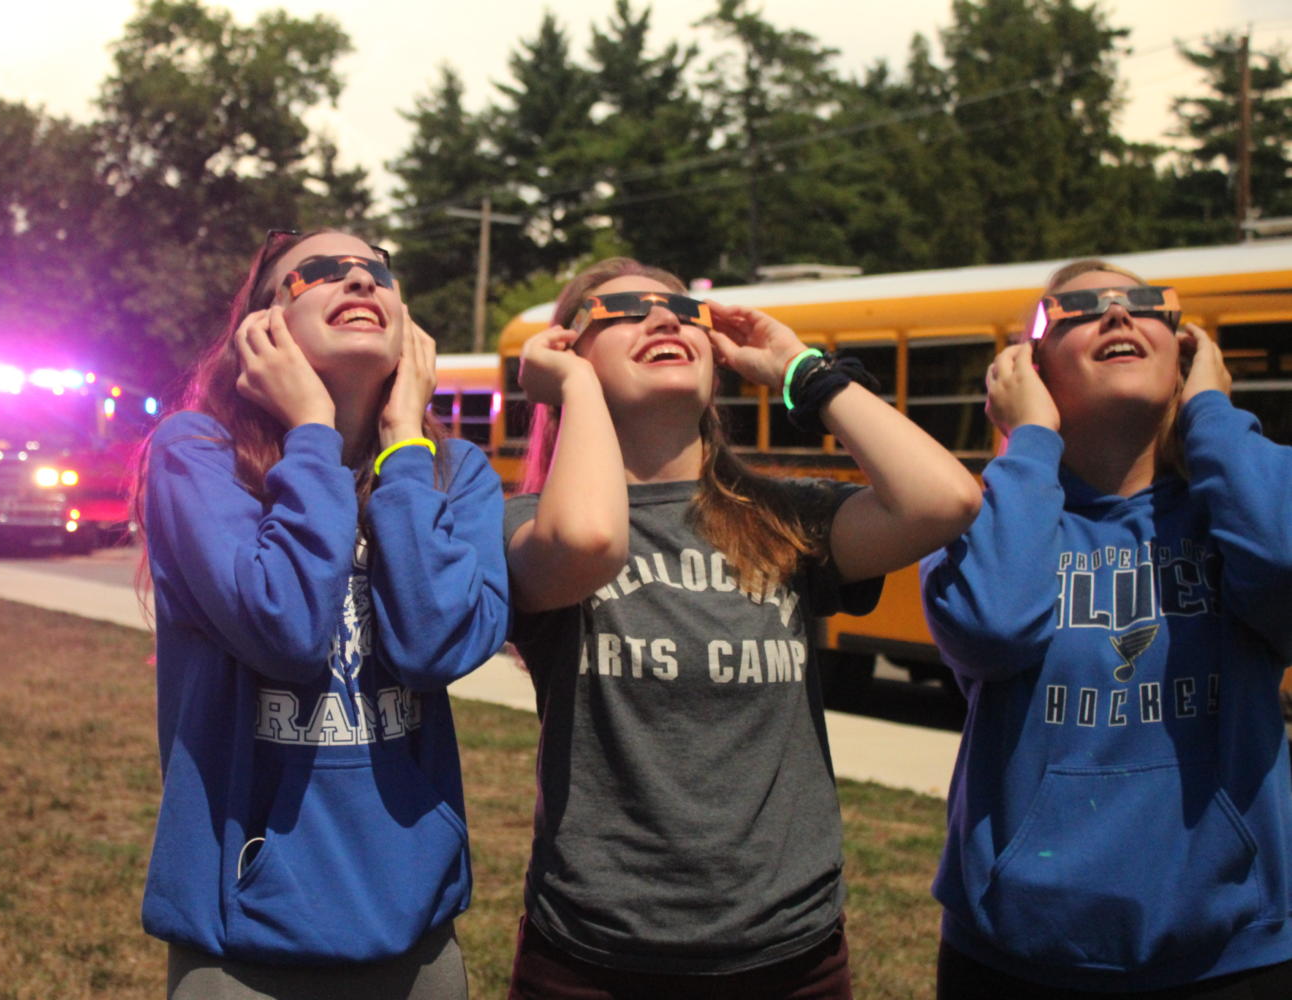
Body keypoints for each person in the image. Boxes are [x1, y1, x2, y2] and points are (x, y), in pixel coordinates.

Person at [503, 257, 982, 998]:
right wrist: (571, 392)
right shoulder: (531, 527)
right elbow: (590, 542)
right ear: (566, 353)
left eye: (682, 312)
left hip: (789, 955)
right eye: (625, 311)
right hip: (595, 957)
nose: (665, 319)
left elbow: (944, 500)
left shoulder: (781, 517)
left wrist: (803, 371)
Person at [135, 229, 510, 999]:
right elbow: (288, 630)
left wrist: (403, 445)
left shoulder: (452, 471)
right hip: (246, 947)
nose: (359, 282)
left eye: (377, 272)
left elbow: (435, 645)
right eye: (319, 274)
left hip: (416, 940)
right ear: (262, 328)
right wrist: (311, 433)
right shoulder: (197, 453)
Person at [920, 259, 1292, 997]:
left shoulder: (1242, 500)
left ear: (1185, 350)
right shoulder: (979, 514)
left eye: (1149, 304)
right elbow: (992, 628)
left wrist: (1211, 410)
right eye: (1083, 308)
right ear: (1029, 364)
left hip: (1232, 956)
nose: (1119, 315)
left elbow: (1284, 566)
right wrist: (1028, 440)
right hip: (1015, 958)